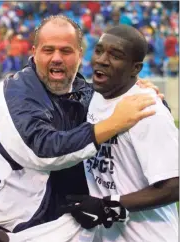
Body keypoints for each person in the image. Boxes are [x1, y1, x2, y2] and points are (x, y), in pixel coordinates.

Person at [0, 15, 157, 239]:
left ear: (79, 54)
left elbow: (113, 105)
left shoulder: (83, 92)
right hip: (11, 225)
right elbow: (44, 149)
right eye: (48, 50)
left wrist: (144, 95)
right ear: (34, 52)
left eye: (66, 51)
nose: (57, 58)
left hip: (57, 220)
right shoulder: (14, 93)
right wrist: (114, 123)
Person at [64, 25, 178, 242]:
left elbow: (174, 186)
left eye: (116, 56)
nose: (102, 60)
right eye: (99, 51)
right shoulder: (95, 96)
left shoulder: (148, 109)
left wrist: (107, 205)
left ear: (135, 68)